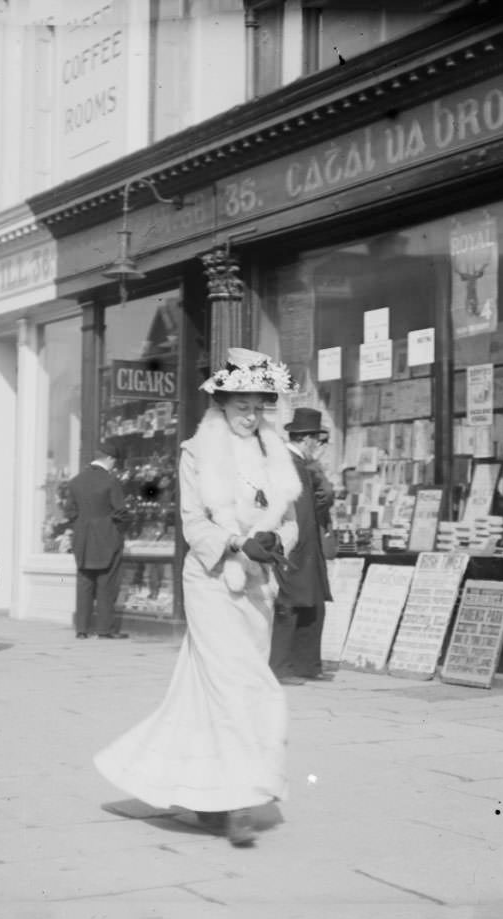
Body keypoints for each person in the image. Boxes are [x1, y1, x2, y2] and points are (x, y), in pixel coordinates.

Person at [94, 347, 302, 847]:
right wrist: (235, 541)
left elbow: (289, 522)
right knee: (241, 685)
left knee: (209, 689)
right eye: (241, 406)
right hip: (211, 582)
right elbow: (192, 523)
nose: (251, 416)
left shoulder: (277, 453)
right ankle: (235, 800)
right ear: (222, 406)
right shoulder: (197, 452)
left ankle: (197, 787)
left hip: (256, 587)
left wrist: (276, 542)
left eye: (259, 406)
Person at [270, 408, 335, 685]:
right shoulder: (290, 464)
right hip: (294, 545)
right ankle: (281, 667)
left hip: (307, 545)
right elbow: (325, 496)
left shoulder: (298, 463)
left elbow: (321, 499)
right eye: (318, 442)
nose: (319, 448)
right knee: (290, 606)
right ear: (308, 440)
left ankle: (306, 664)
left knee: (312, 604)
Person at [62, 436, 129, 639]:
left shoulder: (75, 482)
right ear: (109, 459)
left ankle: (82, 629)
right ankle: (104, 630)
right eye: (114, 461)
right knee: (106, 583)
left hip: (82, 539)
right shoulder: (111, 481)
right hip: (108, 538)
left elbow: (70, 512)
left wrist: (82, 527)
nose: (114, 465)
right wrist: (118, 530)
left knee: (84, 583)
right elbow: (121, 512)